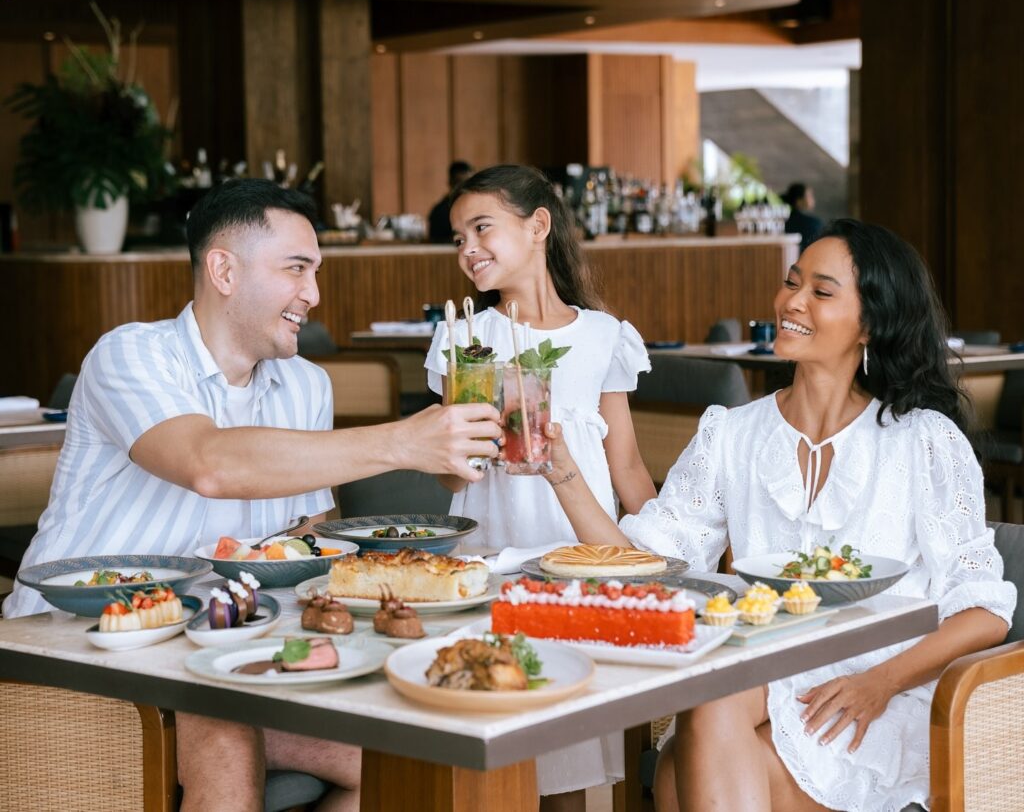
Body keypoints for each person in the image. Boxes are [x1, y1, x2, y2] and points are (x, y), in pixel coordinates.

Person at [3, 179, 501, 812]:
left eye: (316, 271)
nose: (313, 294)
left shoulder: (306, 387)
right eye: (296, 269)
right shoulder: (130, 356)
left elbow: (309, 546)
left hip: (220, 653)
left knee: (424, 759)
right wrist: (403, 443)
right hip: (74, 651)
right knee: (224, 731)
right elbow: (207, 462)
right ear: (223, 270)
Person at [536, 218, 1015, 812]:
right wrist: (560, 468)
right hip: (766, 674)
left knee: (678, 776)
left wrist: (879, 684)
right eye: (792, 283)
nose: (791, 302)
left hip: (882, 693)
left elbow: (983, 613)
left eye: (821, 291)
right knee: (709, 701)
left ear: (870, 322)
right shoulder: (732, 434)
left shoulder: (922, 441)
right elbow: (642, 565)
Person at [424, 164, 657, 810]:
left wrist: (661, 561)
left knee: (564, 771)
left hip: (572, 563)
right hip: (488, 557)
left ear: (538, 227)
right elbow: (451, 472)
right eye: (457, 237)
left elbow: (628, 465)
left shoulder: (603, 338)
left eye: (481, 228)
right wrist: (469, 437)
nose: (468, 248)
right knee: (487, 756)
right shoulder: (464, 337)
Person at [428, 159, 473, 243]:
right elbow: (435, 242)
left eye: (468, 183)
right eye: (459, 183)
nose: (464, 187)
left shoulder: (477, 207)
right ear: (450, 183)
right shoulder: (440, 211)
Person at [783, 182, 824, 253]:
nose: (813, 200)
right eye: (809, 196)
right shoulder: (813, 223)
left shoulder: (783, 220)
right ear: (799, 201)